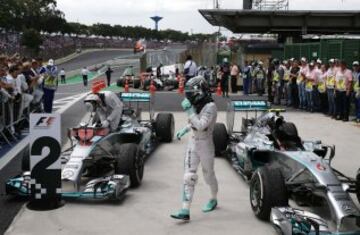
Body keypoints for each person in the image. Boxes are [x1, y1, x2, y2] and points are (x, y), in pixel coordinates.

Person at [171, 76, 218, 221]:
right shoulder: (197, 105)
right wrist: (185, 129)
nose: (189, 94)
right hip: (193, 142)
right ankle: (185, 210)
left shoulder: (211, 106)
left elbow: (201, 125)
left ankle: (213, 198)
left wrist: (189, 111)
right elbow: (193, 122)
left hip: (205, 144)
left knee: (208, 175)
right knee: (188, 176)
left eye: (192, 91)